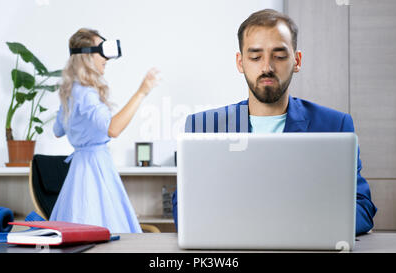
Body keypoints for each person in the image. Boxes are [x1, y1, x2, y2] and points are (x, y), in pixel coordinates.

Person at [172, 9, 377, 235]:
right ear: (240, 62)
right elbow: (184, 208)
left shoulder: (335, 125)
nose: (267, 67)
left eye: (279, 56)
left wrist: (296, 229)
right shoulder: (203, 127)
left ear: (296, 61)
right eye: (255, 57)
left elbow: (362, 209)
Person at [50, 28, 160, 233]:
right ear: (87, 56)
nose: (106, 59)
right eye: (101, 51)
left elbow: (58, 130)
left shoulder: (71, 92)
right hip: (95, 170)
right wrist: (142, 91)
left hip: (78, 171)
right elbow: (113, 129)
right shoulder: (86, 94)